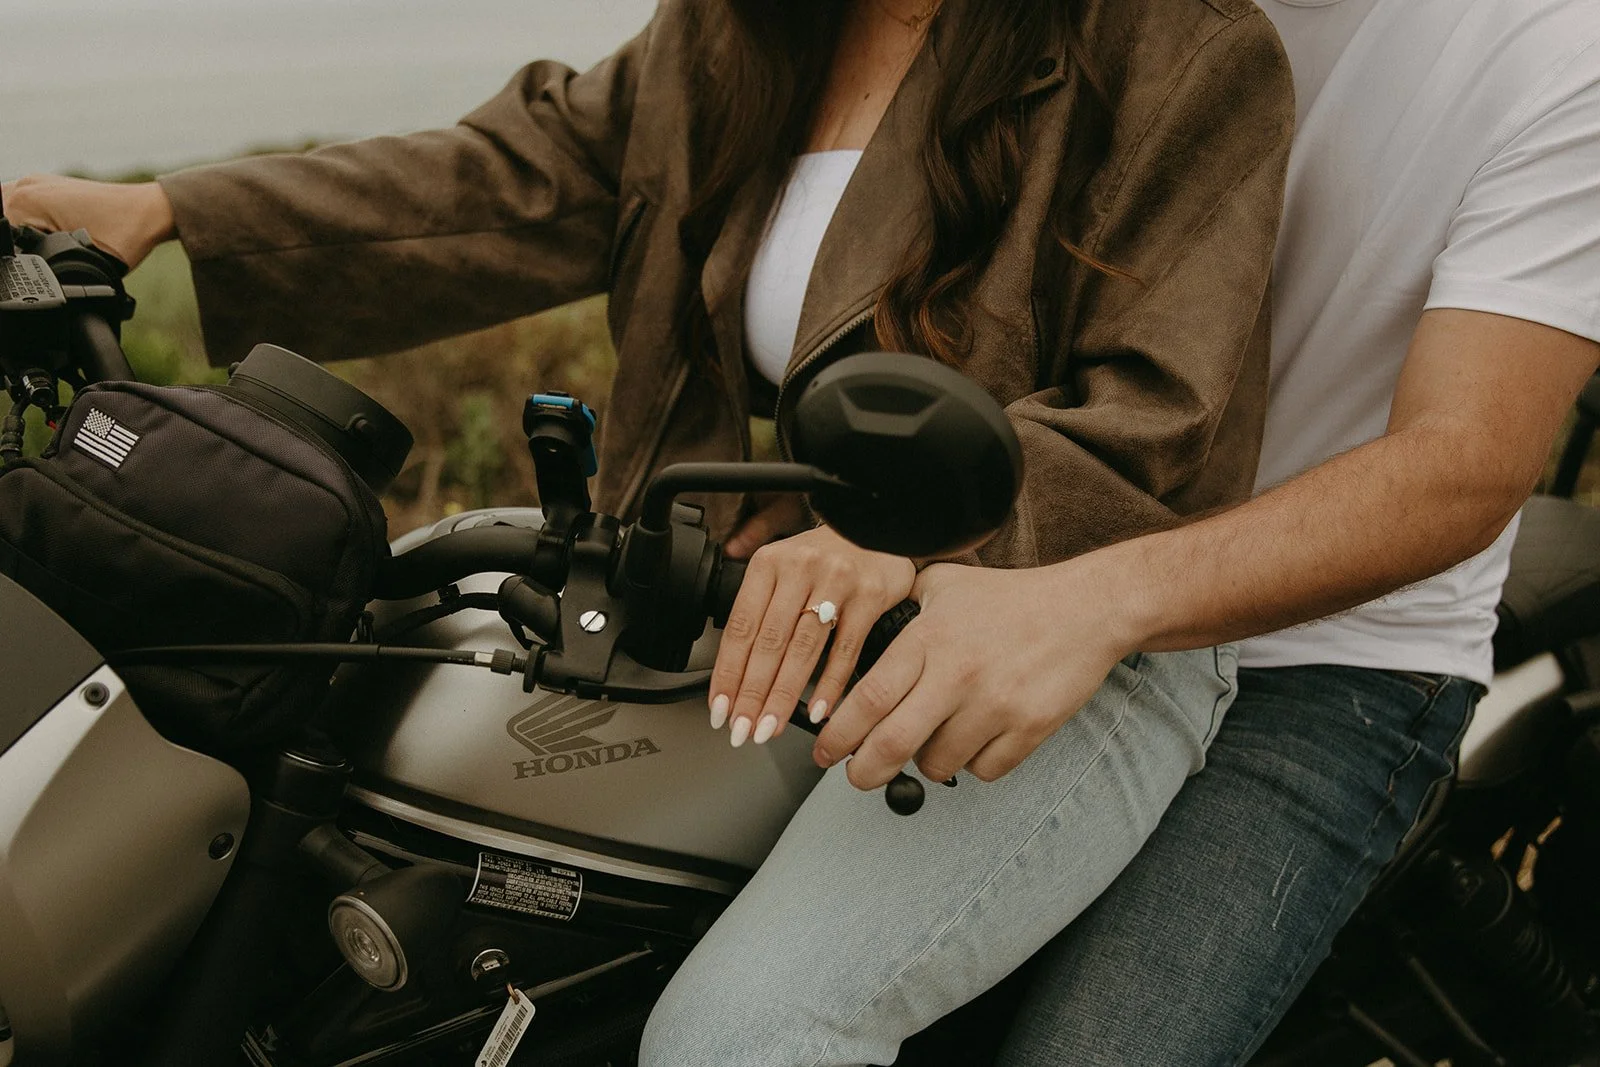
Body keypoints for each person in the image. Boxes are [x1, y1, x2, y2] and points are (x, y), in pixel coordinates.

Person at [2, 0, 1294, 1062]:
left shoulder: (1178, 48)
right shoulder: (738, 33)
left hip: (1058, 643)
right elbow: (507, 178)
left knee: (738, 1035)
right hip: (723, 601)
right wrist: (169, 211)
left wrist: (907, 540)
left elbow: (1164, 415)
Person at [802, 0, 1600, 1062]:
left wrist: (1090, 599)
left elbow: (1459, 468)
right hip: (1020, 584)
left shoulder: (1555, 52)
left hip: (1321, 662)